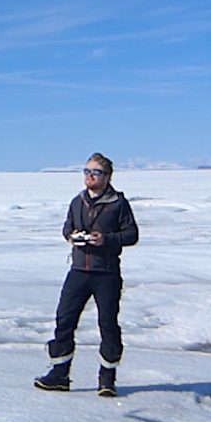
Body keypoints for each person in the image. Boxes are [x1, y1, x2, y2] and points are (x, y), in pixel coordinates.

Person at [35, 153, 139, 397]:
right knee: (64, 319)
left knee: (108, 324)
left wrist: (106, 239)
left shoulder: (118, 203)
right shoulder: (78, 201)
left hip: (106, 273)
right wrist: (72, 236)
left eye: (95, 172)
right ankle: (59, 374)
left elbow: (131, 234)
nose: (89, 176)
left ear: (107, 176)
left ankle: (107, 378)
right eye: (86, 171)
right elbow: (67, 227)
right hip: (79, 271)